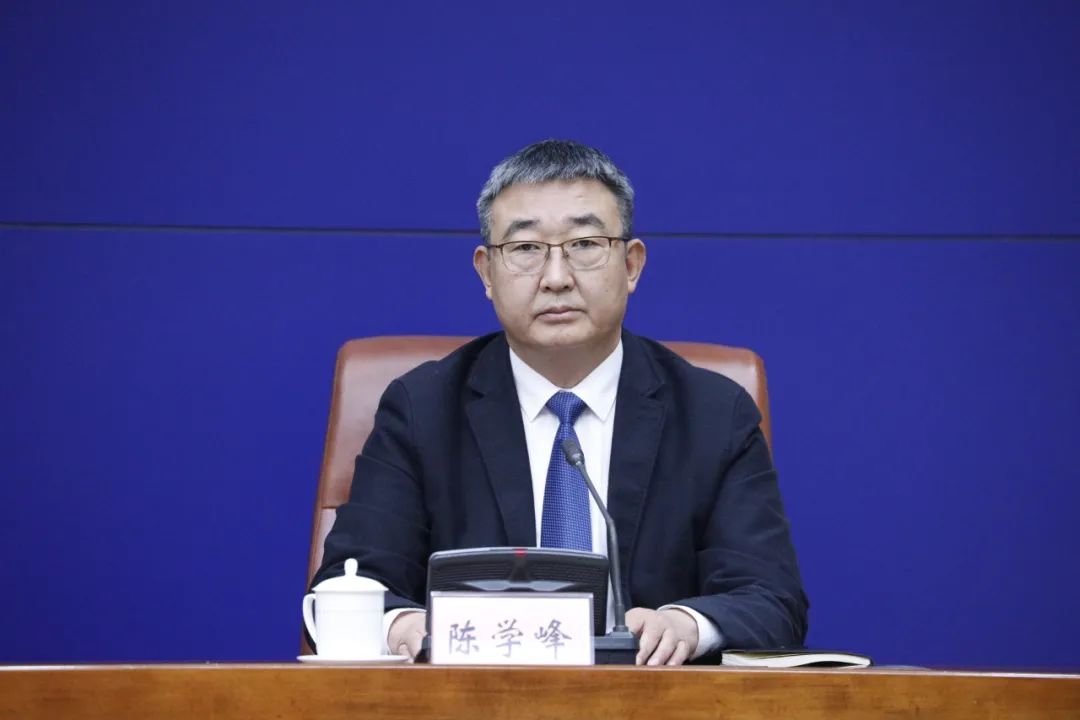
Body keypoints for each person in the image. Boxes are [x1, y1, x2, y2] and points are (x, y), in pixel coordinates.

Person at [312, 139, 807, 665]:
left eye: (584, 244)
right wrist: (404, 627)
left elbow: (771, 600)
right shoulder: (422, 410)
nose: (556, 278)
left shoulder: (713, 414)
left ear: (632, 264)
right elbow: (347, 583)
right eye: (526, 249)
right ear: (486, 272)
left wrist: (687, 624)